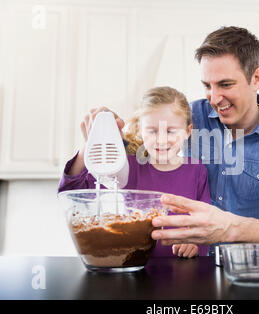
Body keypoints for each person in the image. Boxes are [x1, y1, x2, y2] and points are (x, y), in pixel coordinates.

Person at [149, 26, 259, 247]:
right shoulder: (191, 116)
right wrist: (106, 136)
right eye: (207, 86)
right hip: (192, 263)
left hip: (254, 267)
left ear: (256, 78)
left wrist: (230, 228)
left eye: (225, 84)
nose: (215, 98)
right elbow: (138, 144)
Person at [58, 86, 211, 258]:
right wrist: (92, 140)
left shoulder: (197, 170)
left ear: (187, 132)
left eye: (170, 131)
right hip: (137, 267)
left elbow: (206, 223)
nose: (161, 139)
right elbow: (70, 191)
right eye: (152, 130)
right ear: (140, 130)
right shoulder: (128, 167)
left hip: (185, 270)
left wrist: (195, 244)